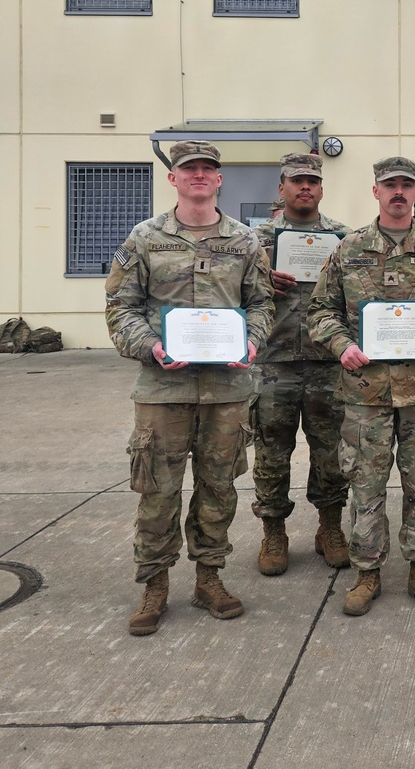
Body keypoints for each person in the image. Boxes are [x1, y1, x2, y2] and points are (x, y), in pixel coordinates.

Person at [105, 141, 274, 636]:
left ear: (220, 180)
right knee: (157, 490)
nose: (198, 176)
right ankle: (154, 585)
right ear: (173, 178)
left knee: (218, 488)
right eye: (188, 169)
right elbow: (120, 307)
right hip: (163, 388)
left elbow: (261, 303)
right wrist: (150, 346)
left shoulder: (245, 241)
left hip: (226, 389)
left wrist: (253, 340)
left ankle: (209, 578)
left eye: (207, 169)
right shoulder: (144, 238)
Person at [307, 157, 415, 616]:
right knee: (366, 484)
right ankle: (367, 573)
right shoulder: (349, 248)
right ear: (375, 191)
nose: (398, 193)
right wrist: (341, 344)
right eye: (389, 185)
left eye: (405, 185)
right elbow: (320, 310)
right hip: (366, 391)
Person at [252, 153, 352, 576]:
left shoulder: (344, 239)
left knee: (330, 451)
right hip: (274, 362)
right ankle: (273, 531)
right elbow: (229, 292)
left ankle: (329, 527)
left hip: (327, 363)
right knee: (271, 450)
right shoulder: (254, 240)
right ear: (282, 188)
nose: (305, 187)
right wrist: (260, 279)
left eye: (312, 180)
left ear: (322, 188)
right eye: (297, 180)